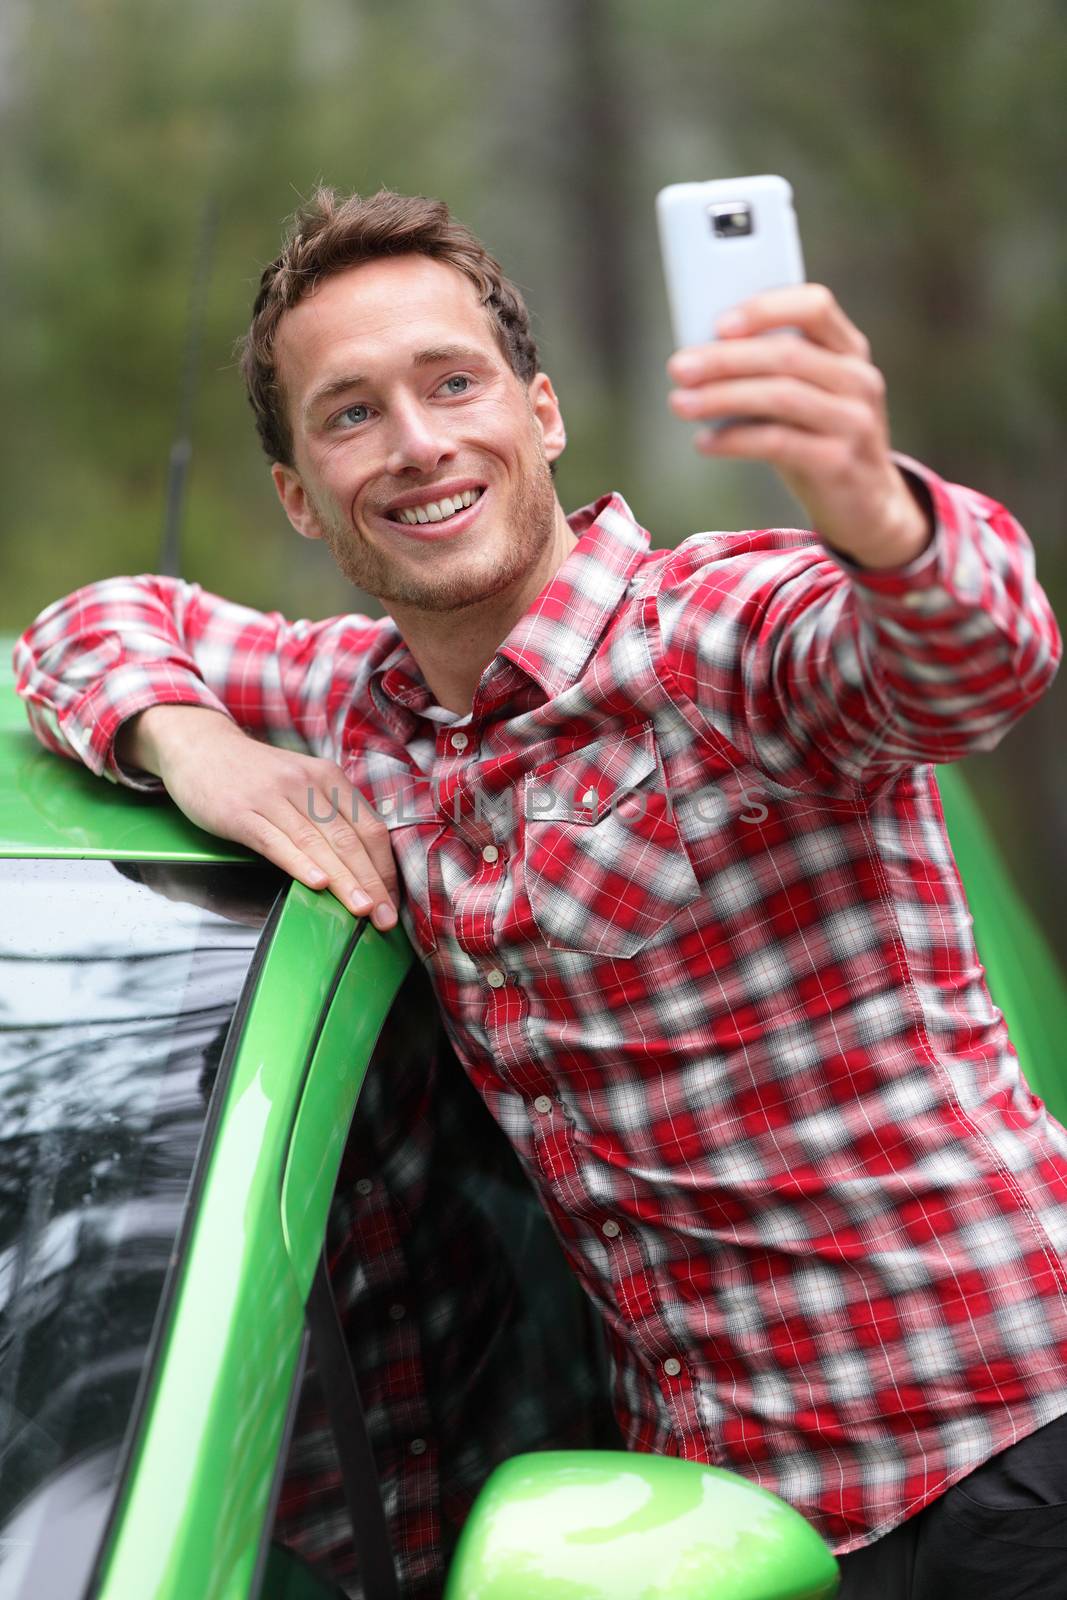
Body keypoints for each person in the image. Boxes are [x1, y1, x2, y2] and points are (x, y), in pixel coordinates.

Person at [14, 187, 1067, 1599]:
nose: (419, 444)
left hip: (1006, 1463)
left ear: (544, 414)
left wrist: (873, 505)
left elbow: (980, 658)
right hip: (704, 1528)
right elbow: (89, 625)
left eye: (453, 383)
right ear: (299, 497)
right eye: (351, 415)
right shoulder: (354, 703)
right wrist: (192, 745)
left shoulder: (718, 642)